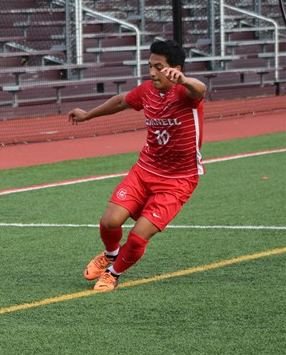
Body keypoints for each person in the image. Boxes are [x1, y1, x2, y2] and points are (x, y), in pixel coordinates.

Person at [67, 39, 206, 292]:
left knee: (139, 236)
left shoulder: (186, 93)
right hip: (144, 171)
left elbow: (200, 89)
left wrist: (184, 80)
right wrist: (88, 115)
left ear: (175, 68)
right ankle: (110, 254)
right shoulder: (147, 91)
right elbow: (121, 102)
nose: (152, 72)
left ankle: (112, 273)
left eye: (159, 67)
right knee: (109, 222)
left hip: (178, 181)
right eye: (150, 66)